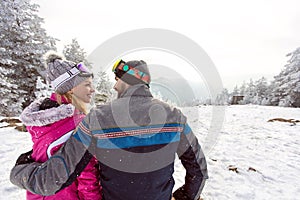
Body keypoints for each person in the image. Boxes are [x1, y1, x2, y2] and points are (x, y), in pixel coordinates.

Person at [11, 59, 208, 200]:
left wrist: (20, 171)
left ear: (126, 80)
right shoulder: (175, 116)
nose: (113, 86)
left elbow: (53, 179)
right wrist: (184, 196)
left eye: (117, 79)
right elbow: (198, 169)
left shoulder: (99, 118)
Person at [16, 51, 102, 200]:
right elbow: (86, 178)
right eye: (87, 85)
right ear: (71, 89)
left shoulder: (40, 118)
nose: (92, 89)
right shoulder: (79, 124)